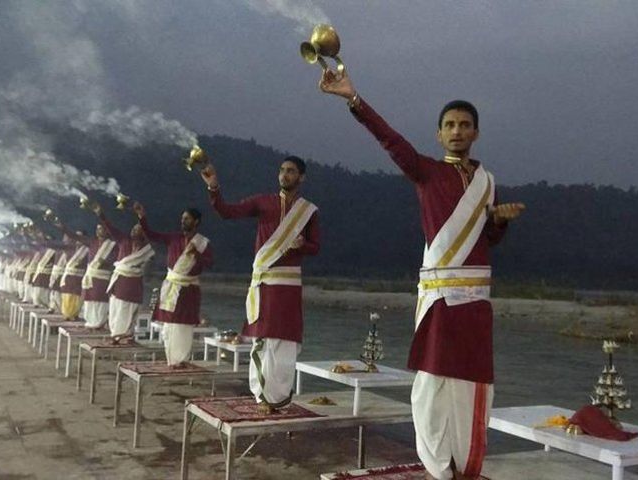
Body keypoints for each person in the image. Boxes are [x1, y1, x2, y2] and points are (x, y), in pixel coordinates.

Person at [319, 70, 524, 480]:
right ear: (438, 134)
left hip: (476, 302)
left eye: (465, 125)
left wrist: (499, 221)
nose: (457, 131)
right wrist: (353, 98)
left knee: (472, 384)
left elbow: (488, 241)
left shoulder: (487, 183)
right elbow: (390, 139)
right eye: (449, 125)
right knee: (432, 384)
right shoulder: (427, 171)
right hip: (439, 298)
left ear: (476, 133)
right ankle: (436, 464)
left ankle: (464, 463)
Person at [200, 156, 320, 414]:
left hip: (289, 286)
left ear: (301, 177)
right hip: (265, 283)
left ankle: (278, 397)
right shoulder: (262, 202)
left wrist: (303, 245)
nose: (284, 175)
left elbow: (316, 246)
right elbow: (227, 211)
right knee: (262, 339)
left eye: (291, 171)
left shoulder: (308, 210)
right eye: (282, 170)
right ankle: (261, 396)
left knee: (285, 339)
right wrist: (214, 187)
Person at [133, 202, 213, 367]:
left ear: (196, 221)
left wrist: (196, 254)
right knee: (170, 325)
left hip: (188, 290)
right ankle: (171, 360)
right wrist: (142, 217)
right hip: (171, 287)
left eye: (187, 218)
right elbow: (151, 234)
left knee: (183, 325)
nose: (183, 221)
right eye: (182, 218)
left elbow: (210, 263)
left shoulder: (202, 243)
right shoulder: (174, 238)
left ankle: (182, 360)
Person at [95, 206, 154, 343]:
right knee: (116, 309)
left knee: (128, 311)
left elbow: (147, 271)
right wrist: (101, 215)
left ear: (143, 233)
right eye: (133, 228)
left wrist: (142, 217)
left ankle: (123, 336)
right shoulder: (123, 240)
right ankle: (117, 335)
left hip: (133, 285)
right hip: (119, 282)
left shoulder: (147, 249)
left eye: (138, 229)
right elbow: (110, 228)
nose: (134, 230)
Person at [60, 219, 117, 329]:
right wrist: (63, 228)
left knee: (100, 300)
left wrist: (105, 262)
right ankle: (90, 322)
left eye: (102, 229)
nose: (99, 231)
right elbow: (76, 237)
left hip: (102, 278)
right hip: (91, 277)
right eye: (97, 229)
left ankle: (99, 324)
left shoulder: (113, 245)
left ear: (107, 231)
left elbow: (115, 260)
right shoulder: (92, 242)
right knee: (89, 299)